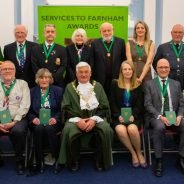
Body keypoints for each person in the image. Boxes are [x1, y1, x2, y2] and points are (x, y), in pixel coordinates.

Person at [57, 62, 113, 172]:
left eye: (86, 72)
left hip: (96, 118)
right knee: (68, 130)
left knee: (106, 129)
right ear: (76, 74)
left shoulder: (98, 86)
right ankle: (74, 160)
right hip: (76, 119)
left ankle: (100, 159)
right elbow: (65, 108)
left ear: (90, 73)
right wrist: (78, 121)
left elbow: (105, 106)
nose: (83, 75)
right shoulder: (70, 87)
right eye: (81, 72)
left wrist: (93, 119)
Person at [144, 58, 184, 177]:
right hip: (156, 116)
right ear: (156, 69)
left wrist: (180, 115)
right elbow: (147, 104)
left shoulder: (176, 84)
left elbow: (182, 104)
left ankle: (181, 157)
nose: (163, 69)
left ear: (169, 69)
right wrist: (160, 116)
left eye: (166, 67)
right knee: (159, 127)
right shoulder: (149, 84)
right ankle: (159, 159)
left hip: (173, 115)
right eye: (161, 67)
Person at [110, 60, 146, 168]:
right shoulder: (115, 83)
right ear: (121, 71)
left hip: (134, 117)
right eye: (125, 69)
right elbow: (112, 102)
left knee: (132, 129)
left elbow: (140, 104)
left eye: (129, 69)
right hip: (119, 117)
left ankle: (139, 152)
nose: (127, 71)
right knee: (120, 129)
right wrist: (117, 115)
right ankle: (133, 153)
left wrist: (133, 115)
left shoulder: (138, 84)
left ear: (133, 71)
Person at [28, 68, 63, 174]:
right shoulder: (32, 91)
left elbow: (63, 109)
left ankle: (57, 158)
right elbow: (28, 110)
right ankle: (39, 161)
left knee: (48, 127)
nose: (44, 80)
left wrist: (55, 118)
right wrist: (33, 118)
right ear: (37, 79)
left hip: (53, 121)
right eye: (41, 77)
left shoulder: (58, 90)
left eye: (47, 77)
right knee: (38, 128)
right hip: (37, 122)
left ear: (50, 79)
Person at [0, 61, 30, 175]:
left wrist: (15, 121)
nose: (7, 71)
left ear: (15, 71)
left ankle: (19, 160)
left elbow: (25, 104)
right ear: (0, 71)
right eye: (4, 69)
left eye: (10, 69)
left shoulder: (22, 84)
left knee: (18, 131)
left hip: (18, 118)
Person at [89, 22, 126, 98]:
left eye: (109, 30)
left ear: (113, 30)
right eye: (104, 31)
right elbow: (91, 62)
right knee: (100, 99)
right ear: (100, 32)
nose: (107, 33)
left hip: (116, 78)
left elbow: (123, 60)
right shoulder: (94, 43)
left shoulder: (121, 42)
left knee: (115, 99)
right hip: (99, 79)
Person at [31, 24, 67, 88]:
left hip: (57, 83)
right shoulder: (35, 49)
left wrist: (51, 78)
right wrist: (43, 77)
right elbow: (34, 65)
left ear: (55, 34)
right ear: (44, 34)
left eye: (52, 32)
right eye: (48, 32)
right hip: (40, 82)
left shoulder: (62, 49)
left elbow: (63, 66)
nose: (50, 34)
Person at [153, 24, 184, 89]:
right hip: (167, 82)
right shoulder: (163, 47)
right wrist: (162, 75)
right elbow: (155, 63)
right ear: (171, 33)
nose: (177, 34)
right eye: (175, 32)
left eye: (180, 32)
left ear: (183, 34)